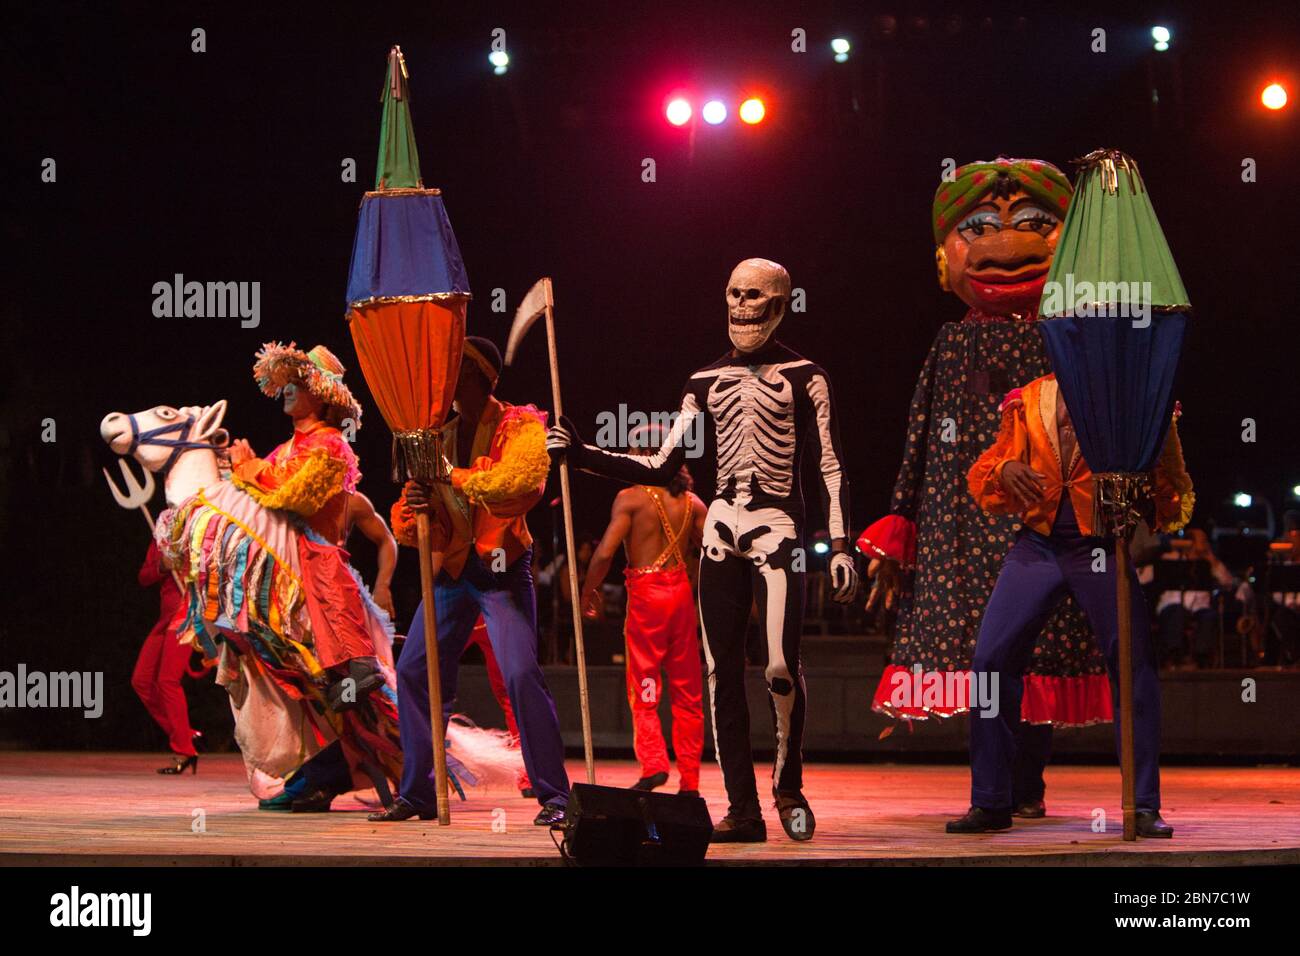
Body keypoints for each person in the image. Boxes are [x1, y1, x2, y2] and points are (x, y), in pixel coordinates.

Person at [547, 258, 857, 843]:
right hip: (720, 529)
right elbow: (663, 464)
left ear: (780, 305)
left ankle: (787, 787)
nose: (742, 306)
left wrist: (840, 543)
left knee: (781, 667)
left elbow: (828, 462)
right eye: (734, 295)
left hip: (779, 528)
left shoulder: (805, 376)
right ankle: (743, 808)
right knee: (720, 674)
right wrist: (583, 452)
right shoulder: (703, 381)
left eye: (755, 296)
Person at [857, 157, 1109, 819]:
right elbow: (919, 435)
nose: (1005, 242)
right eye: (978, 226)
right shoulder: (950, 344)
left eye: (1033, 223)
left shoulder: (1071, 341)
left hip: (1049, 521)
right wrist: (900, 528)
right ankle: (996, 792)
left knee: (1044, 651)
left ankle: (1027, 784)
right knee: (986, 658)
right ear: (946, 254)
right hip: (960, 523)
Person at [949, 374, 1193, 838]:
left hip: (1099, 546)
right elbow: (993, 463)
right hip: (1038, 544)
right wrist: (1004, 470)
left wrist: (1141, 473)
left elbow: (1167, 480)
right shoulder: (1031, 397)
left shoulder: (1134, 397)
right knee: (990, 661)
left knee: (1134, 664)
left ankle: (1141, 804)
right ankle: (992, 800)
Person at [369, 336, 571, 826]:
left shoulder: (519, 424)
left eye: (453, 371)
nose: (441, 382)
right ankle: (417, 793)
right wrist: (413, 510)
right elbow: (420, 524)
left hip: (501, 572)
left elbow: (521, 484)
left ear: (479, 375)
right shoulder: (438, 436)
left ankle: (556, 797)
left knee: (521, 673)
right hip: (453, 573)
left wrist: (451, 477)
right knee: (415, 673)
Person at [229, 343, 388, 714]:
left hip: (318, 555)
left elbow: (292, 493)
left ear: (320, 393)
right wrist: (235, 469)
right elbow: (257, 488)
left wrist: (248, 468)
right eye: (287, 382)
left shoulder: (332, 445)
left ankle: (360, 663)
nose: (288, 389)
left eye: (298, 382)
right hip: (287, 556)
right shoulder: (286, 448)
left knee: (327, 568)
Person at [581, 424, 707, 795]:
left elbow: (604, 552)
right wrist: (689, 585)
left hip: (647, 596)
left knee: (645, 682)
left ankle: (654, 764)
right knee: (687, 690)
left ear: (638, 457)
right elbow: (710, 556)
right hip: (681, 597)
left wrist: (589, 590)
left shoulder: (630, 499)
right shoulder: (694, 504)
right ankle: (691, 780)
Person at [133, 540, 200, 775]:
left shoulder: (199, 530)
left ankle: (184, 749)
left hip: (188, 612)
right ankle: (185, 735)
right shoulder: (161, 537)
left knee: (167, 680)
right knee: (141, 680)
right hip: (166, 617)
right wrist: (162, 565)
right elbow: (144, 576)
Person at [1147, 529, 1234, 669]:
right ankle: (1173, 655)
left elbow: (1227, 582)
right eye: (1201, 541)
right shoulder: (1171, 558)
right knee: (1176, 613)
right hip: (1173, 603)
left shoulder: (1208, 562)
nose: (1205, 544)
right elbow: (1146, 576)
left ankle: (1201, 656)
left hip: (1199, 606)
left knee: (1209, 616)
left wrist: (1212, 561)